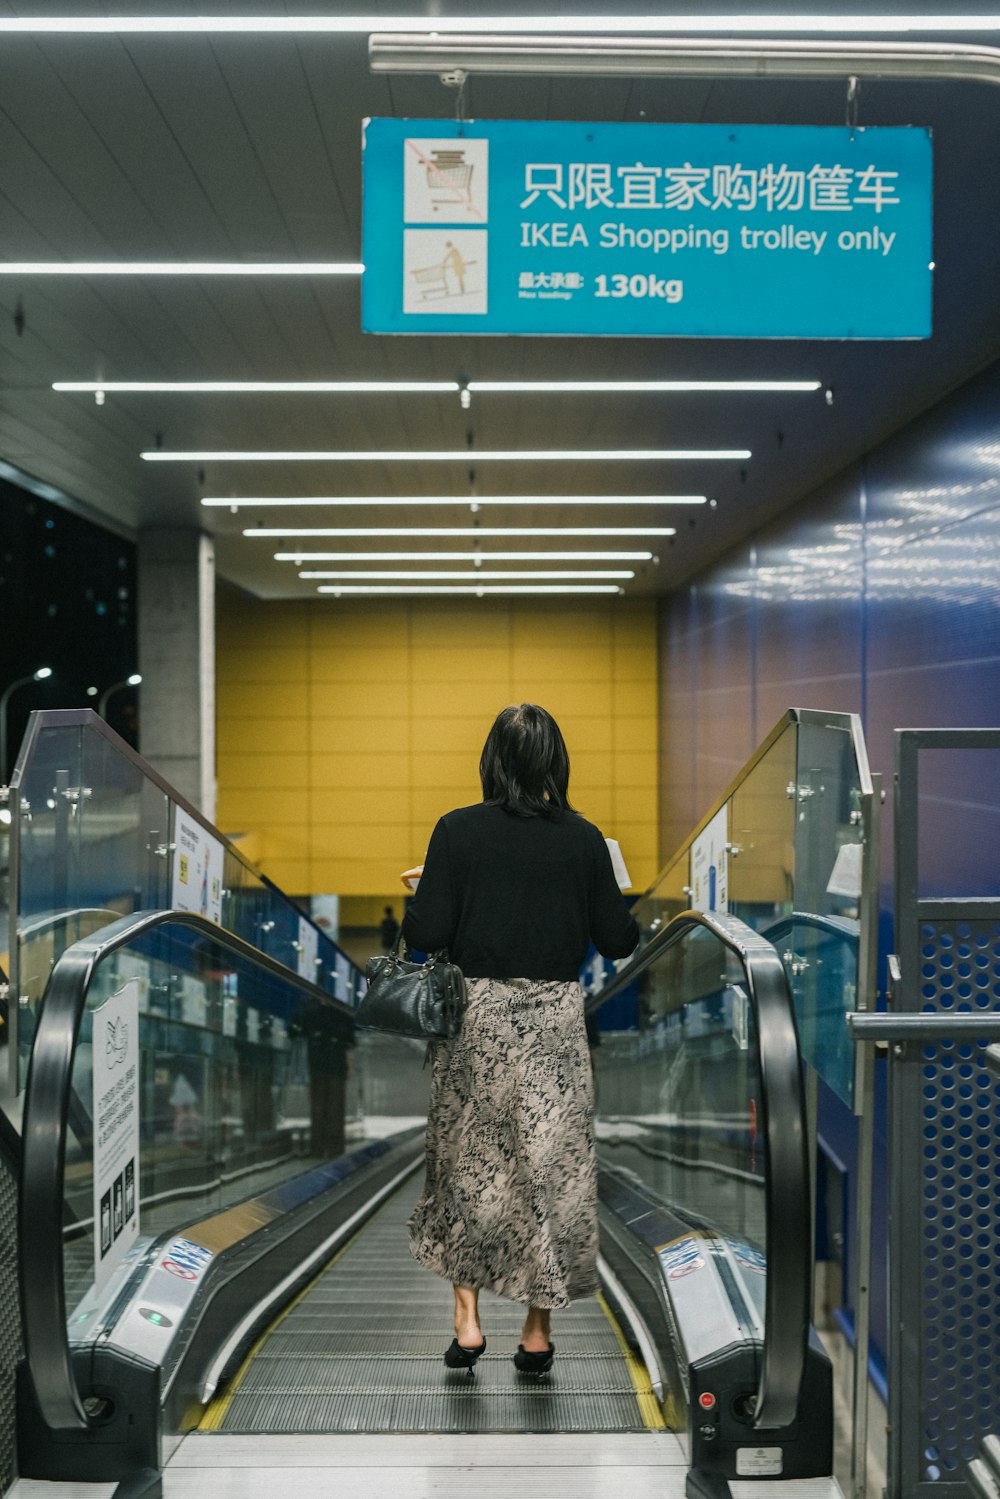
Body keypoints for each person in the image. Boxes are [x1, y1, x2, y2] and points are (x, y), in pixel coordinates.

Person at [400, 703, 639, 1377]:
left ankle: (468, 1322)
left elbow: (425, 933)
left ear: (491, 761)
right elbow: (619, 939)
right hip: (557, 1020)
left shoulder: (456, 831)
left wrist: (422, 893)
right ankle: (536, 1332)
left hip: (477, 1019)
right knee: (551, 1171)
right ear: (554, 762)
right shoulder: (585, 839)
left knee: (468, 1164)